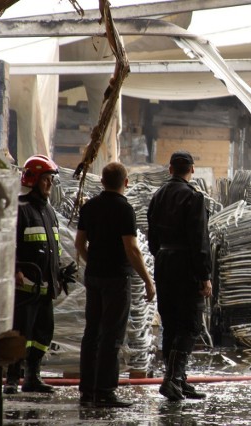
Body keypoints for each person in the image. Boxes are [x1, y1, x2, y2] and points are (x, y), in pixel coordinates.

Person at [75, 162, 155, 408]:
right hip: (116, 279)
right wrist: (148, 281)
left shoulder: (89, 207)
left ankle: (87, 391)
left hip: (94, 277)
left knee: (92, 334)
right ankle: (105, 392)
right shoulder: (124, 209)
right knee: (112, 335)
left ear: (102, 182)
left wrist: (94, 262)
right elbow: (131, 248)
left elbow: (79, 244)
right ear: (126, 182)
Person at [147, 151, 213, 401]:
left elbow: (151, 235)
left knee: (171, 323)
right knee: (191, 323)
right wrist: (204, 274)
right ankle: (172, 379)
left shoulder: (158, 196)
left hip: (164, 263)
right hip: (186, 266)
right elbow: (200, 241)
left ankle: (179, 379)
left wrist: (162, 256)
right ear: (192, 170)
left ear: (170, 169)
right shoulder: (193, 197)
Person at [4, 155, 67, 394]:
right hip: (25, 289)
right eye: (46, 180)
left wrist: (58, 272)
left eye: (51, 180)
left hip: (45, 286)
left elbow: (55, 246)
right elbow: (9, 243)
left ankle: (33, 376)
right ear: (33, 180)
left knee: (43, 333)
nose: (50, 184)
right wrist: (15, 268)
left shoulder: (48, 211)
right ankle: (12, 379)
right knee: (21, 334)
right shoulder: (21, 209)